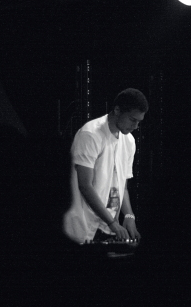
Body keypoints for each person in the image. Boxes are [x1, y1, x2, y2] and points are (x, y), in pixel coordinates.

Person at [63, 88, 148, 244]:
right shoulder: (91, 134)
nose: (135, 126)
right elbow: (85, 185)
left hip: (107, 227)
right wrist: (112, 222)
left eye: (139, 122)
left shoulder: (129, 141)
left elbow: (122, 186)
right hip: (83, 227)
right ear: (117, 110)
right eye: (132, 119)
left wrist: (129, 216)